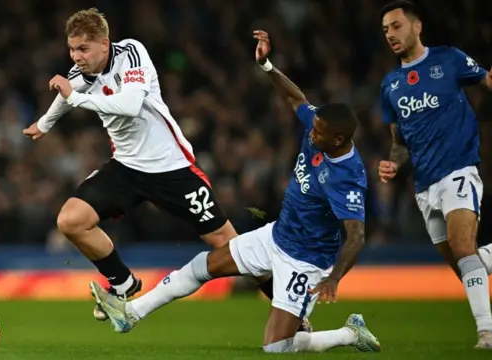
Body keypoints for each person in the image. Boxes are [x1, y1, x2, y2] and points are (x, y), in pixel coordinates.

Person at [89, 30, 380, 354]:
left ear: (338, 140)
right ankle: (131, 313)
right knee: (202, 266)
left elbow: (356, 235)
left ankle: (349, 334)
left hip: (307, 261)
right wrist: (268, 66)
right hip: (278, 236)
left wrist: (334, 278)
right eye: (314, 126)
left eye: (319, 132)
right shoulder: (320, 128)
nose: (312, 132)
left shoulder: (347, 176)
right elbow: (297, 99)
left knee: (277, 347)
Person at [22, 8, 295, 326]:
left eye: (83, 49)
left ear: (104, 44)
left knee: (228, 245)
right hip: (126, 168)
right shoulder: (79, 75)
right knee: (70, 221)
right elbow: (66, 93)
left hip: (172, 167)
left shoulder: (132, 54)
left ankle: (289, 307)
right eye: (71, 49)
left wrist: (75, 99)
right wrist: (44, 124)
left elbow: (130, 105)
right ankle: (123, 283)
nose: (76, 56)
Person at [377, 0, 492, 349]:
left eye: (396, 26)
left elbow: (486, 80)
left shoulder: (449, 59)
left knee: (462, 246)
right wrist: (394, 163)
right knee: (465, 262)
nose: (390, 35)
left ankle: (486, 333)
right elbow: (399, 141)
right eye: (385, 30)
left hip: (458, 169)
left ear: (417, 26)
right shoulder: (391, 85)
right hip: (424, 186)